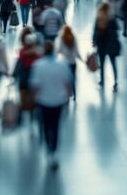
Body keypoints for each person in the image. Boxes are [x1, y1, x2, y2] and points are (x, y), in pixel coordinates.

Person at [29, 40, 73, 171]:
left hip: (43, 101)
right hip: (58, 101)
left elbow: (35, 86)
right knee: (56, 126)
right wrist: (68, 97)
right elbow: (68, 84)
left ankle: (49, 148)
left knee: (47, 125)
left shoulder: (38, 65)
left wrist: (33, 99)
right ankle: (54, 151)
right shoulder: (63, 64)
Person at [92, 2, 120, 92]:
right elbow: (117, 29)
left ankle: (102, 81)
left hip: (101, 44)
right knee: (113, 64)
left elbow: (95, 30)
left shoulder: (99, 18)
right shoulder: (112, 18)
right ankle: (115, 81)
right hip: (111, 44)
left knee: (102, 63)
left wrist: (94, 41)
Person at [56, 25, 82, 101]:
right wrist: (82, 59)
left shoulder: (62, 38)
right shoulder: (74, 38)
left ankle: (67, 95)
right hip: (73, 63)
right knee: (73, 79)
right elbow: (77, 52)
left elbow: (59, 50)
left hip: (64, 63)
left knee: (66, 80)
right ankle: (75, 95)